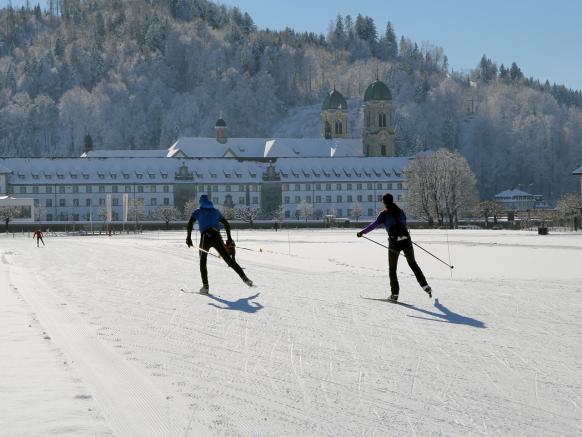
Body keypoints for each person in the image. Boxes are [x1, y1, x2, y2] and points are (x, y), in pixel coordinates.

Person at [357, 193, 431, 302]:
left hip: (394, 243)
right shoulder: (400, 211)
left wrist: (362, 232)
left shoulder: (384, 214)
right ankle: (425, 286)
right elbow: (404, 222)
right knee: (413, 264)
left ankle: (394, 294)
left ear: (384, 202)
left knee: (392, 269)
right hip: (406, 240)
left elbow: (374, 225)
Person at [186, 195, 253, 294]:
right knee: (229, 260)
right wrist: (229, 238)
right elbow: (226, 223)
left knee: (202, 262)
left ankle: (205, 287)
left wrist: (188, 237)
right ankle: (245, 278)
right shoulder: (216, 211)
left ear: (201, 202)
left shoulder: (198, 211)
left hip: (205, 237)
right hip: (217, 236)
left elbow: (190, 224)